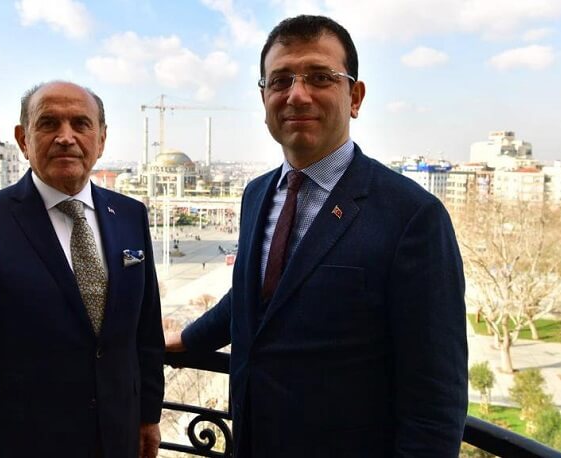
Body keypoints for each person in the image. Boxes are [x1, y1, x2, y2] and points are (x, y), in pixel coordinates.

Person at [166, 15, 467, 457]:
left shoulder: (412, 216)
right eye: (280, 80)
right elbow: (253, 296)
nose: (297, 94)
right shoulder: (256, 194)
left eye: (320, 77)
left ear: (355, 97)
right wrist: (187, 341)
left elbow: (435, 398)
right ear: (264, 97)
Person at [0, 81, 165, 458]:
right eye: (49, 123)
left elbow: (146, 331)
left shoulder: (130, 215)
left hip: (119, 439)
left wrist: (149, 415)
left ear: (101, 139)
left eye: (81, 124)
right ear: (23, 139)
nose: (66, 137)